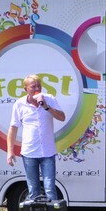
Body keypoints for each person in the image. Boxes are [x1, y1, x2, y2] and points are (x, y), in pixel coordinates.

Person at [6, 74, 67, 202]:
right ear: (26, 89)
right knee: (33, 189)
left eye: (39, 86)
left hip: (47, 152)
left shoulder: (49, 99)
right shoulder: (19, 104)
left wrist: (46, 106)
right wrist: (10, 151)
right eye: (33, 86)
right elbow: (13, 128)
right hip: (29, 152)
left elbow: (62, 117)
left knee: (50, 188)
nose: (37, 89)